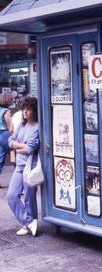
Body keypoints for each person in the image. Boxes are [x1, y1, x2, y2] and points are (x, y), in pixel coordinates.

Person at [7, 97, 39, 237]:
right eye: (24, 109)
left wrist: (18, 146)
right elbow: (10, 141)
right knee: (11, 196)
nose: (25, 112)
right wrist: (20, 145)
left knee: (29, 197)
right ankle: (29, 222)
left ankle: (28, 224)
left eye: (28, 109)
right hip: (19, 166)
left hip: (31, 166)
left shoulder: (37, 127)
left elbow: (30, 149)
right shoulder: (21, 125)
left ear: (34, 110)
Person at [0, 92, 14, 186]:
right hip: (5, 135)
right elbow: (10, 128)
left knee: (0, 159)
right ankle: (19, 184)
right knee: (15, 157)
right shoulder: (6, 112)